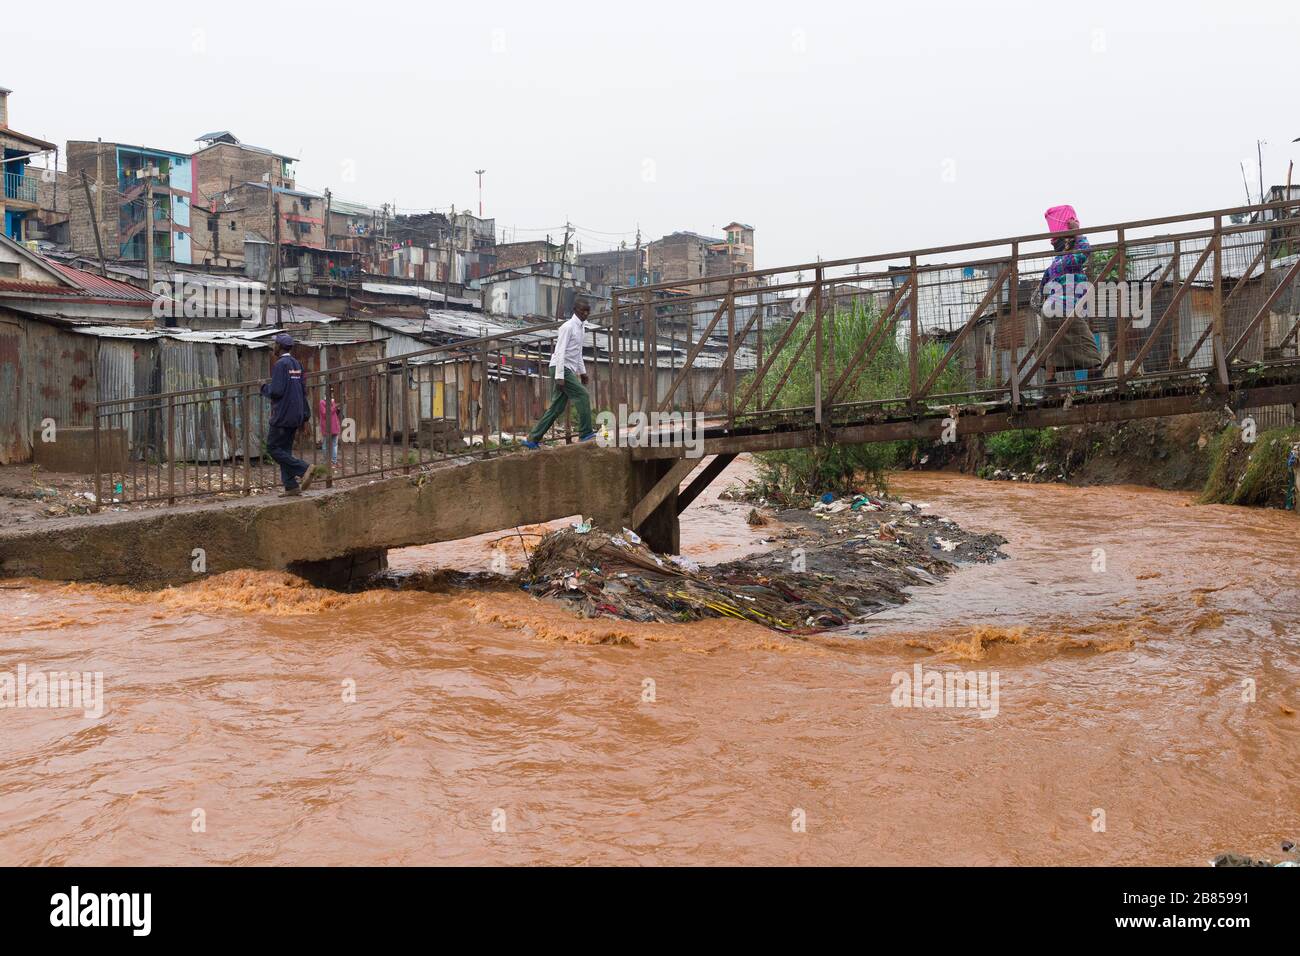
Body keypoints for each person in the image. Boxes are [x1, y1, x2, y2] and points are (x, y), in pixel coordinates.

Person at [521, 297, 598, 449]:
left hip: (568, 368)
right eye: (583, 311)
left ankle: (533, 439)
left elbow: (577, 352)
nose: (586, 314)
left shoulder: (582, 327)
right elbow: (560, 352)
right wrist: (559, 376)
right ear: (575, 311)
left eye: (588, 311)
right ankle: (585, 433)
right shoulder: (567, 327)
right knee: (582, 395)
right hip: (560, 368)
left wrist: (583, 372)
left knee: (556, 407)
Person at [1038, 204, 1102, 384]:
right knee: (1086, 342)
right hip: (1064, 307)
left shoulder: (1054, 264)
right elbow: (1084, 251)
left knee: (1053, 345)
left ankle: (1050, 385)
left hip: (1048, 309)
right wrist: (1077, 231)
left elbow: (1043, 285)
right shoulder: (1069, 260)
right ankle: (1096, 382)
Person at [261, 332, 319, 496]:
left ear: (278, 347)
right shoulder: (297, 364)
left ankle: (304, 468)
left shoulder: (281, 364)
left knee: (272, 448)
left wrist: (263, 387)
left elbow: (277, 391)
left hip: (283, 415)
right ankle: (291, 486)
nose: (274, 347)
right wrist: (304, 416)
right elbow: (303, 390)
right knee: (284, 450)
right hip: (296, 415)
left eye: (275, 344)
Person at [318, 394, 342, 467]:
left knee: (334, 444)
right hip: (327, 427)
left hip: (334, 426)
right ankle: (327, 461)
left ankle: (334, 461)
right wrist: (334, 406)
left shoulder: (332, 402)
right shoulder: (322, 402)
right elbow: (325, 413)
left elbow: (334, 413)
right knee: (325, 444)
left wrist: (338, 409)